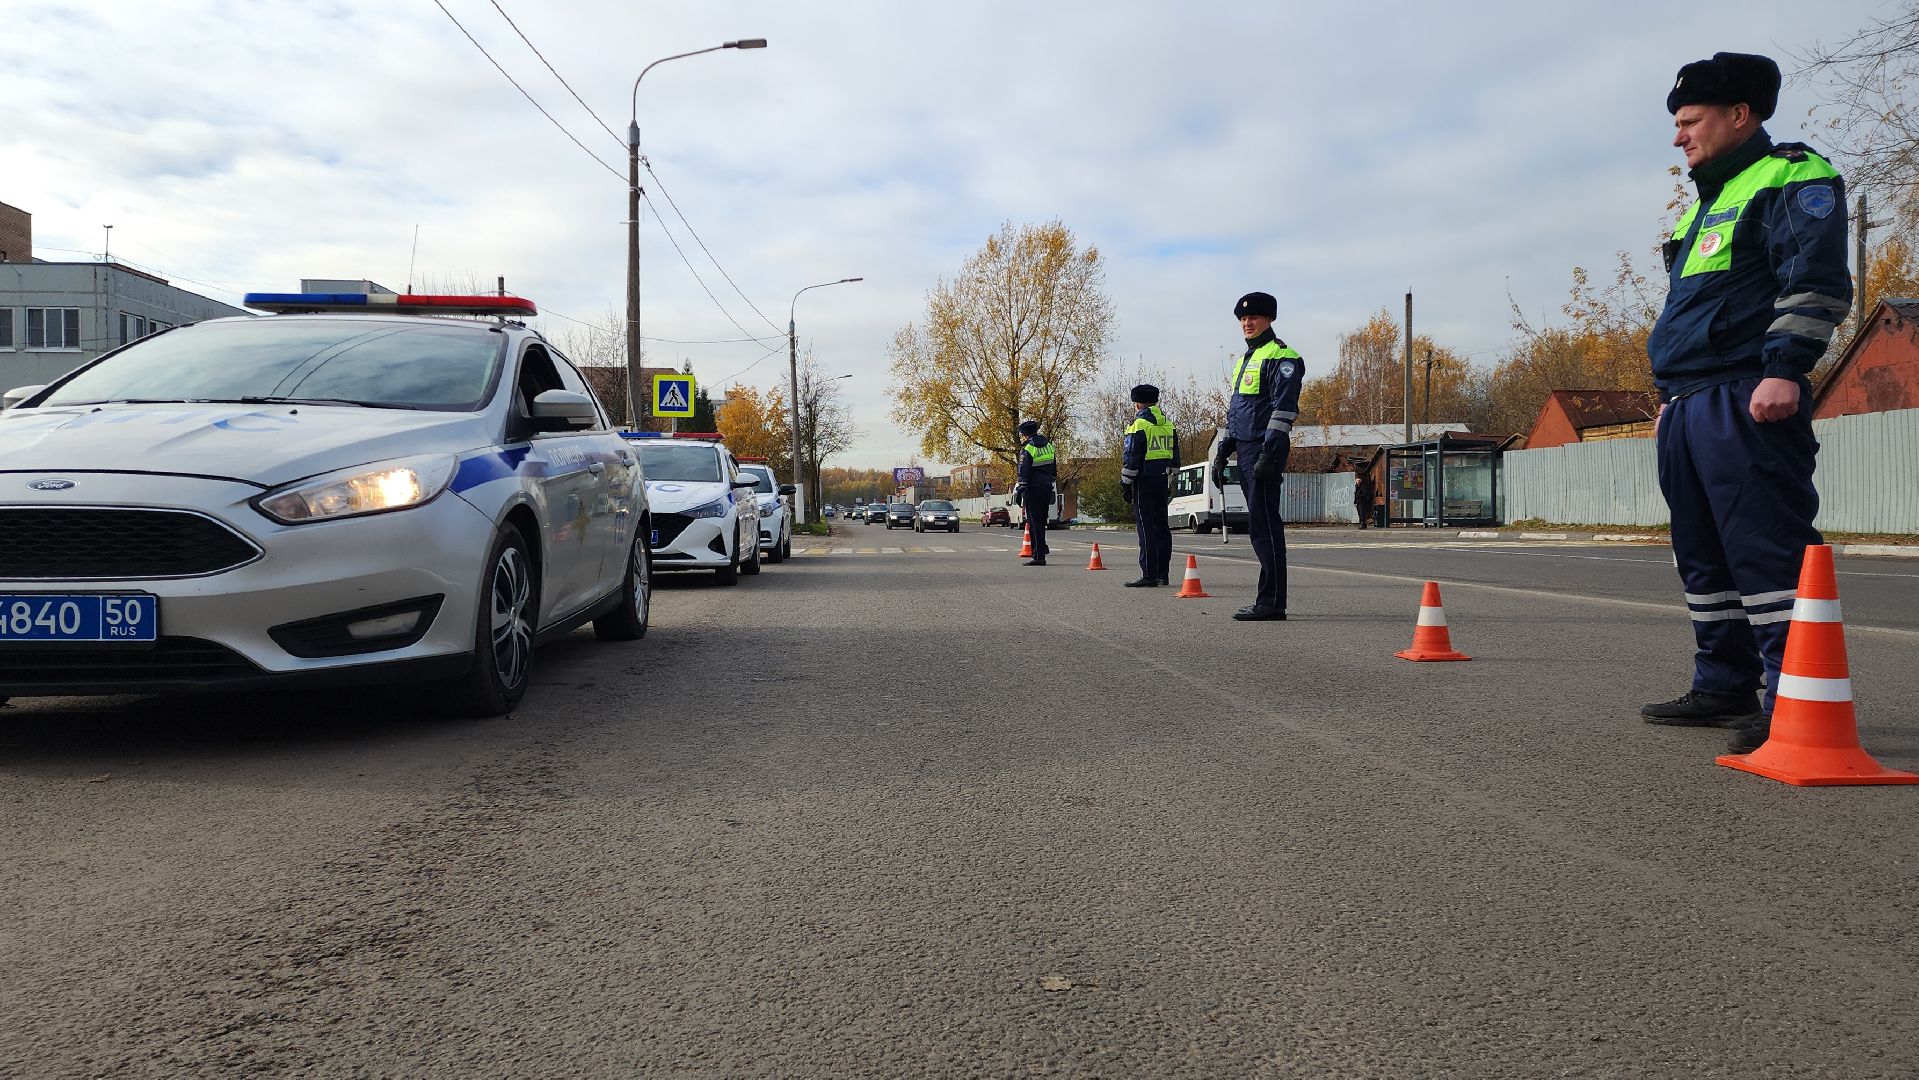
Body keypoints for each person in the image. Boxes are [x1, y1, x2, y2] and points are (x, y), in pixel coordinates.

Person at [1638, 52, 1851, 754]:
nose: (1678, 138)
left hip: (1746, 392)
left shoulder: (1792, 175)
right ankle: (1722, 682)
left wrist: (1784, 369)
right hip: (1691, 402)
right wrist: (1671, 396)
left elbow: (1812, 281)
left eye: (1689, 121)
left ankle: (1794, 693)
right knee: (1701, 552)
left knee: (1763, 547)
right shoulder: (1707, 203)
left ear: (1739, 115)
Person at [1212, 291, 1304, 620]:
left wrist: (1270, 452)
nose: (1247, 323)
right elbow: (1237, 411)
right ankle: (1267, 598)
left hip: (1265, 449)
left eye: (1253, 317)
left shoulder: (1282, 356)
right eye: (1242, 319)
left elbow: (1283, 411)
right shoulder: (1246, 359)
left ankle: (1272, 602)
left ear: (1270, 319)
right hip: (1246, 450)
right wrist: (1223, 450)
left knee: (1265, 526)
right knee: (1258, 526)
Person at [1120, 384, 1178, 586]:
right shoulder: (1168, 425)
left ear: (1137, 404)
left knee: (1145, 528)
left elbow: (1131, 457)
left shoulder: (1138, 426)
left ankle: (1148, 574)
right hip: (1162, 480)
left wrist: (1126, 483)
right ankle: (1163, 573)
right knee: (1162, 527)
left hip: (1143, 481)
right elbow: (1176, 459)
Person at [1012, 419, 1057, 566]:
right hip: (1047, 487)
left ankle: (1038, 556)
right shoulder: (1049, 446)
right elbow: (1054, 468)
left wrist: (1020, 490)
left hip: (1033, 489)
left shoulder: (1028, 448)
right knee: (1041, 522)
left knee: (1033, 523)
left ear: (1025, 435)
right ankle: (1042, 548)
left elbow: (1023, 471)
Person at [1353, 461, 1376, 530]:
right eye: (1357, 480)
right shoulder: (1358, 486)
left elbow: (1364, 494)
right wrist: (1355, 501)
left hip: (1362, 502)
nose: (1357, 481)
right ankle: (1362, 524)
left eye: (1358, 480)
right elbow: (1356, 494)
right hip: (1359, 502)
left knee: (1362, 514)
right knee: (1360, 514)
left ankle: (1363, 524)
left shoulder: (1363, 485)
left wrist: (1359, 497)